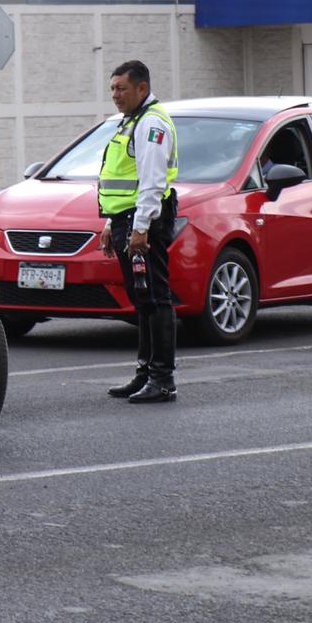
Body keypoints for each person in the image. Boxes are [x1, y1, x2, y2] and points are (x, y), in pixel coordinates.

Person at [98, 60, 179, 403]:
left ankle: (162, 379)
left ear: (142, 89)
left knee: (156, 297)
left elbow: (152, 181)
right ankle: (145, 372)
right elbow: (122, 178)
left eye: (122, 89)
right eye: (113, 89)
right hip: (126, 219)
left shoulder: (151, 124)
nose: (115, 95)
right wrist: (109, 223)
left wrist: (140, 227)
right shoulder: (131, 122)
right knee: (142, 298)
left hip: (142, 220)